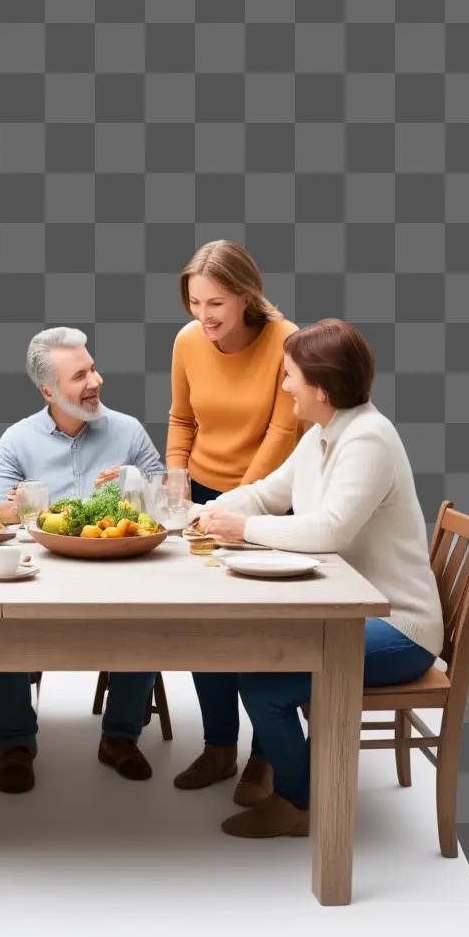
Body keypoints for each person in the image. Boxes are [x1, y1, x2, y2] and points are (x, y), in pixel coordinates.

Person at [192, 319, 444, 838]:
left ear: (321, 390)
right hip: (353, 610)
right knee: (245, 657)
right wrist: (208, 511)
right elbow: (267, 493)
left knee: (264, 687)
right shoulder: (325, 435)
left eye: (290, 377)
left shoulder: (368, 439)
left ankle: (299, 805)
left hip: (399, 627)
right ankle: (282, 785)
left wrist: (243, 529)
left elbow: (330, 530)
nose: (284, 387)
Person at [0, 326, 165, 792]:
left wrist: (136, 480)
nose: (95, 381)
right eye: (79, 375)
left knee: (146, 615)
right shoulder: (19, 440)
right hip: (41, 576)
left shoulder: (128, 431)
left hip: (121, 570)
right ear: (48, 390)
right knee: (1, 623)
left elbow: (167, 502)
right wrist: (12, 505)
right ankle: (16, 742)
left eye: (93, 367)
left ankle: (120, 737)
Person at [168, 240, 303, 801]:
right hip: (202, 497)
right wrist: (177, 476)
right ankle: (219, 746)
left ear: (248, 295)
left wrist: (239, 504)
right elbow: (181, 419)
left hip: (268, 501)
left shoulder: (287, 342)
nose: (204, 317)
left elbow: (283, 432)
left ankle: (264, 758)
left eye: (216, 305)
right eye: (196, 303)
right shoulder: (187, 341)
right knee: (206, 623)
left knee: (267, 627)